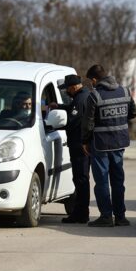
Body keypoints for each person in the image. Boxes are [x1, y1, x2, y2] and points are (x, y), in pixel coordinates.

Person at [81, 64, 136, 227]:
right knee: (118, 181)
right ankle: (120, 217)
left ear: (94, 79)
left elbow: (88, 122)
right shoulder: (125, 91)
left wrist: (85, 141)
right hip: (119, 143)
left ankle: (106, 216)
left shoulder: (95, 95)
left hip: (100, 145)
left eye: (90, 82)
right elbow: (132, 113)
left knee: (102, 182)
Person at [52, 75, 92, 224]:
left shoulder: (80, 99)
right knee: (82, 179)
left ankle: (81, 214)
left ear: (74, 87)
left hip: (79, 145)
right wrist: (60, 107)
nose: (66, 92)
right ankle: (81, 212)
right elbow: (73, 109)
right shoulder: (83, 96)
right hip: (82, 144)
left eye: (67, 89)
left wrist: (54, 124)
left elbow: (73, 121)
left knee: (81, 179)